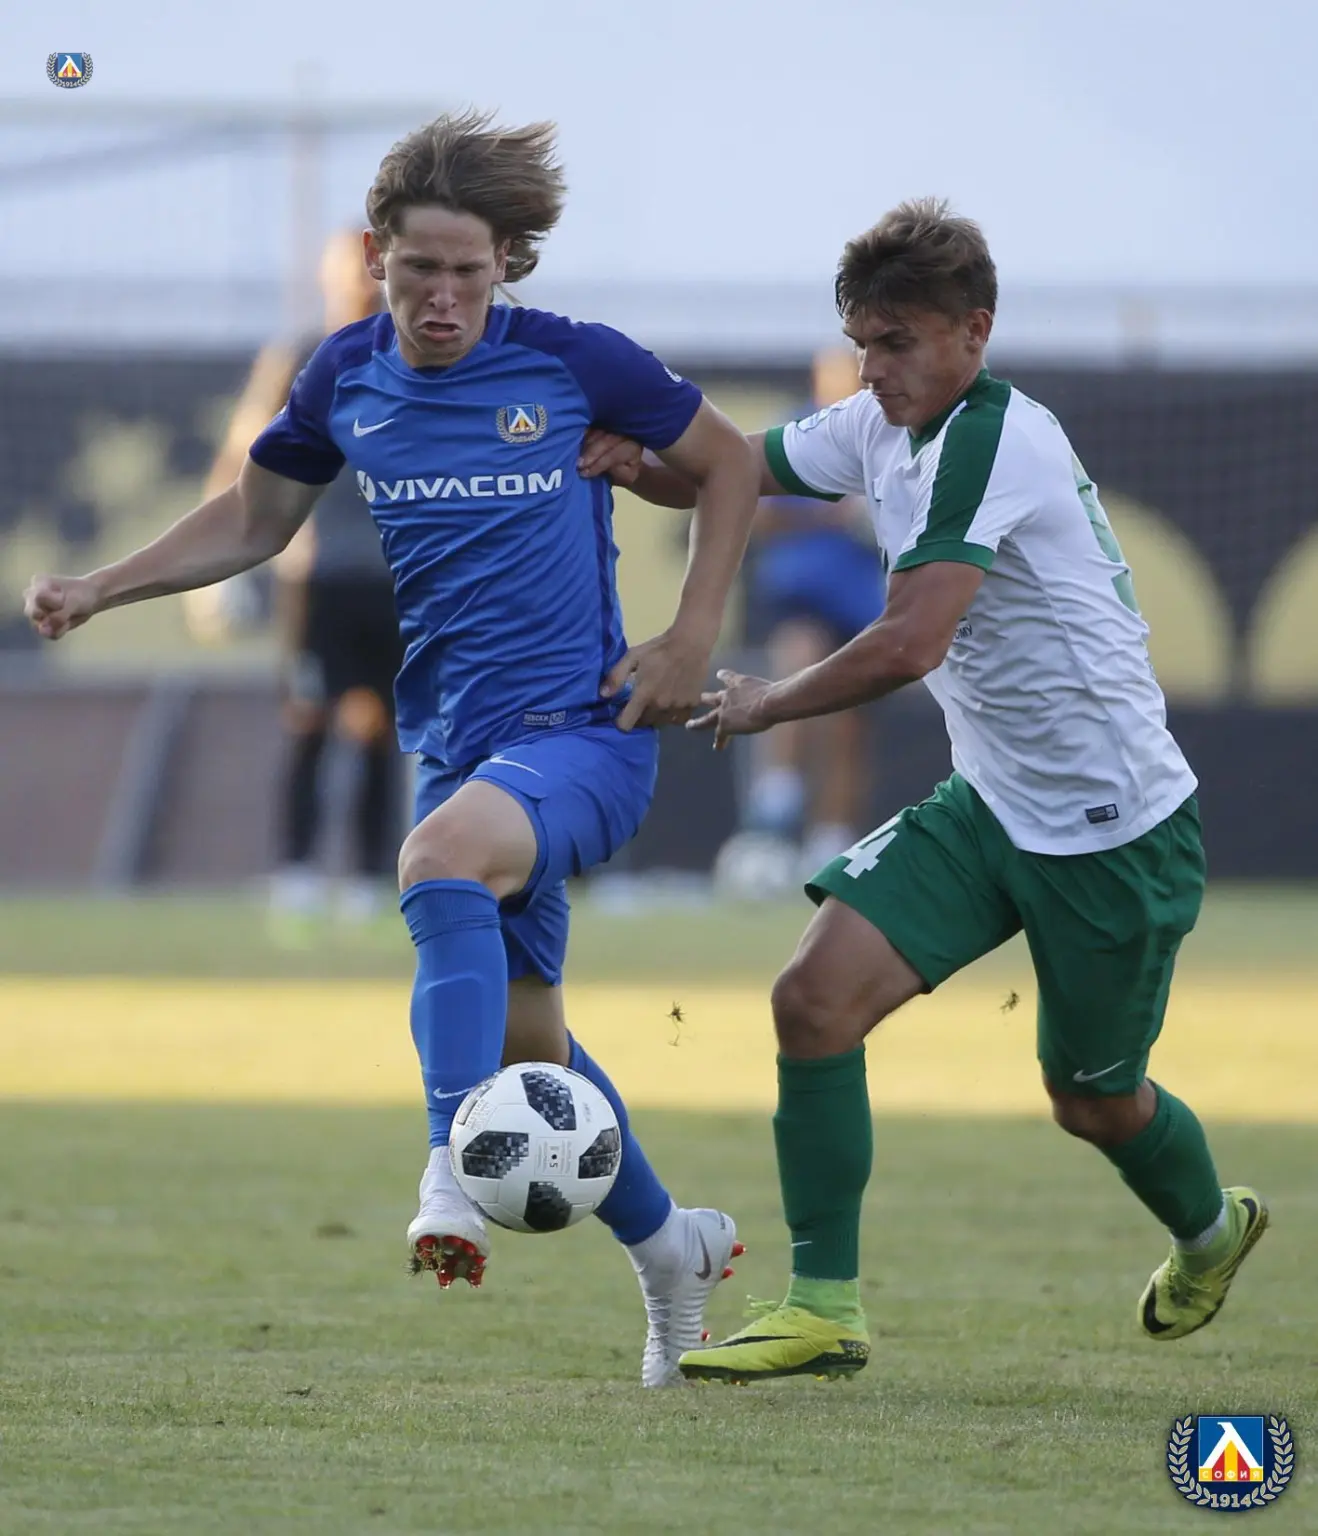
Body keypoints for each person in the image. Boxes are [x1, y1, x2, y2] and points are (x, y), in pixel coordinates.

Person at [23, 109, 761, 1388]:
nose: (443, 296)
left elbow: (731, 464)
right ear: (377, 259)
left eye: (468, 271)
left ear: (506, 263)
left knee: (435, 858)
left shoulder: (573, 360)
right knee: (529, 1042)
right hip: (456, 744)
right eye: (419, 268)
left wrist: (693, 634)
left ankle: (448, 1172)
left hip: (585, 734)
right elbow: (255, 516)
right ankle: (670, 1250)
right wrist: (102, 585)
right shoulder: (342, 374)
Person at [583, 197, 1267, 1384]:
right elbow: (730, 467)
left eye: (897, 343)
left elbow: (909, 643)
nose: (873, 369)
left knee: (1091, 1103)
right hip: (990, 804)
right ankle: (823, 1306)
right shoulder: (876, 423)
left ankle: (1213, 1231)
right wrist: (628, 461)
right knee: (811, 1002)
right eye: (862, 342)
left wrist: (765, 702)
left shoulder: (999, 441)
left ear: (973, 332)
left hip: (1112, 832)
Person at [189, 229, 405, 931]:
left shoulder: (416, 352)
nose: (364, 280)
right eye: (352, 267)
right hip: (315, 572)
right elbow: (241, 457)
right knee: (308, 714)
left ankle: (370, 872)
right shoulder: (300, 357)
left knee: (377, 721)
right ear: (328, 274)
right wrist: (216, 573)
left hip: (392, 574)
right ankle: (297, 868)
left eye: (374, 267)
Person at [717, 346, 884, 890]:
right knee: (798, 663)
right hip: (801, 598)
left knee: (845, 723)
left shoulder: (890, 437)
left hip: (863, 611)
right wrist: (831, 515)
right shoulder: (798, 432)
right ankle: (778, 797)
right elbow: (757, 514)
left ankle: (829, 843)